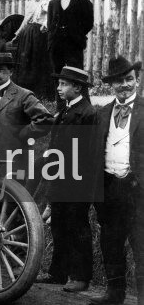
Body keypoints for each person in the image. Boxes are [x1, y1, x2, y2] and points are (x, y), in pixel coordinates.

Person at [89, 56, 144, 305]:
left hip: (137, 188)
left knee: (141, 244)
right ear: (111, 85)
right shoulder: (103, 113)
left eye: (129, 79)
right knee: (110, 240)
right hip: (109, 185)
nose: (124, 85)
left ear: (137, 80)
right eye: (119, 81)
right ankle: (114, 291)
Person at [35, 66, 96, 292]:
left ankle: (81, 276)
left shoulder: (87, 114)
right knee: (59, 224)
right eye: (59, 84)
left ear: (77, 87)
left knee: (77, 226)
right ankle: (57, 272)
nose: (59, 88)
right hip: (60, 178)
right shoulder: (66, 112)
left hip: (77, 182)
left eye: (64, 84)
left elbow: (88, 154)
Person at [0, 53, 54, 178]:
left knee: (15, 195)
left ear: (10, 72)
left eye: (0, 70)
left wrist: (23, 133)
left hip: (14, 162)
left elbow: (46, 120)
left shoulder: (23, 95)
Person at [47, 0, 94, 74]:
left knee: (76, 73)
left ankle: (80, 91)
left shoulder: (83, 1)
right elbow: (50, 24)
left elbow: (88, 23)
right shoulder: (53, 3)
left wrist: (76, 34)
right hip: (56, 45)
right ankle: (57, 92)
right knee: (56, 74)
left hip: (74, 44)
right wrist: (51, 40)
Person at [12, 0, 52, 100]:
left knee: (38, 61)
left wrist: (45, 24)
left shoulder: (47, 3)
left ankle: (41, 92)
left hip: (41, 34)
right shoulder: (29, 4)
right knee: (26, 61)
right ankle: (25, 92)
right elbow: (25, 20)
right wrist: (18, 34)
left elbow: (50, 17)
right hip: (28, 34)